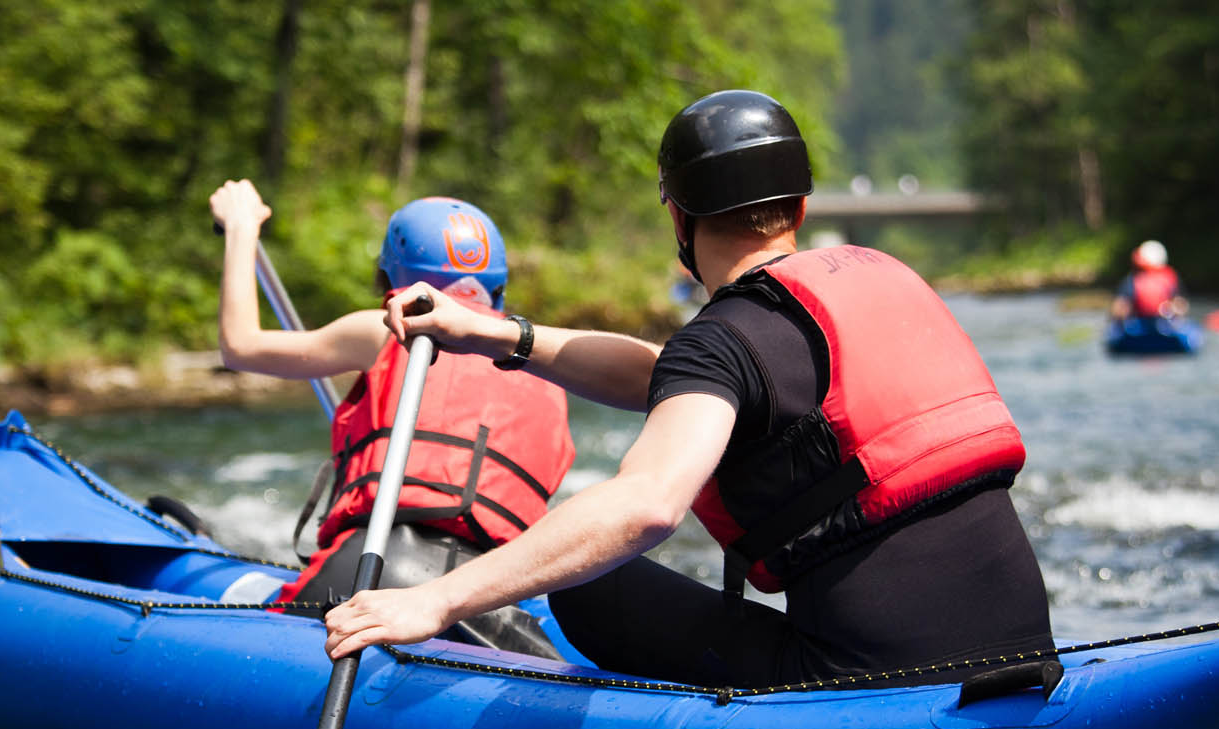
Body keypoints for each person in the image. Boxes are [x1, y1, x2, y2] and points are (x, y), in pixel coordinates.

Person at [323, 90, 1054, 689]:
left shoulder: (724, 343)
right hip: (1021, 648)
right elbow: (670, 377)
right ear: (798, 209)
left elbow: (646, 506)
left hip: (868, 679)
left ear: (679, 216)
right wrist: (499, 336)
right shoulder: (873, 284)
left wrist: (437, 599)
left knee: (589, 586)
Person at [210, 181, 575, 657]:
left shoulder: (387, 328)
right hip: (488, 596)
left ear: (391, 279)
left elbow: (240, 346)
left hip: (369, 568)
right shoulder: (544, 361)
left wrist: (241, 227)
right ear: (498, 287)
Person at [1110, 240, 1188, 321]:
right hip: (1162, 324)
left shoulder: (1133, 278)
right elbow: (1181, 306)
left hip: (1138, 324)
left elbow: (1119, 307)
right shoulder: (1171, 277)